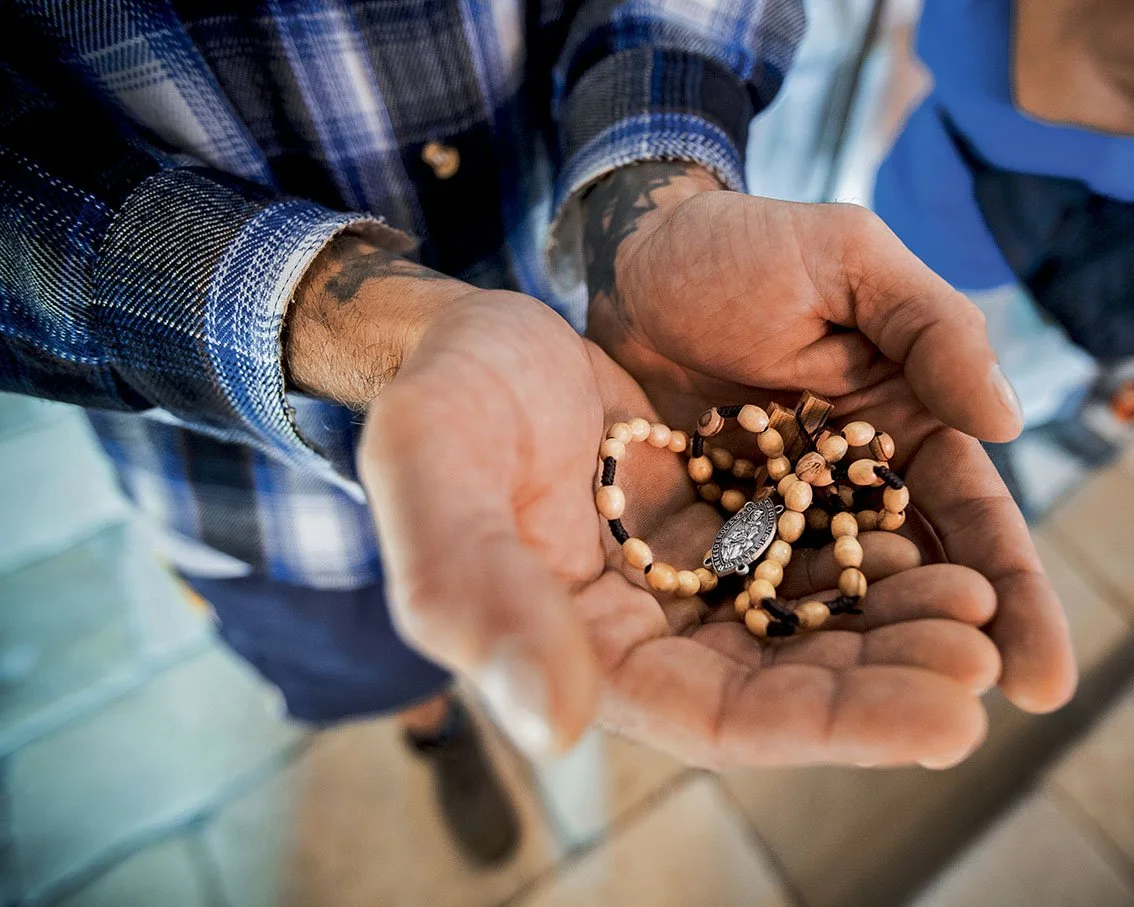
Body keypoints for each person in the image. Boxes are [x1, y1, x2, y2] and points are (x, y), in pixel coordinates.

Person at [0, 0, 1074, 865]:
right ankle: (433, 727)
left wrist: (654, 197)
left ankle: (465, 705)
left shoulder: (744, 479)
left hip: (573, 350)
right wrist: (356, 324)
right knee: (367, 659)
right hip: (254, 496)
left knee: (511, 640)